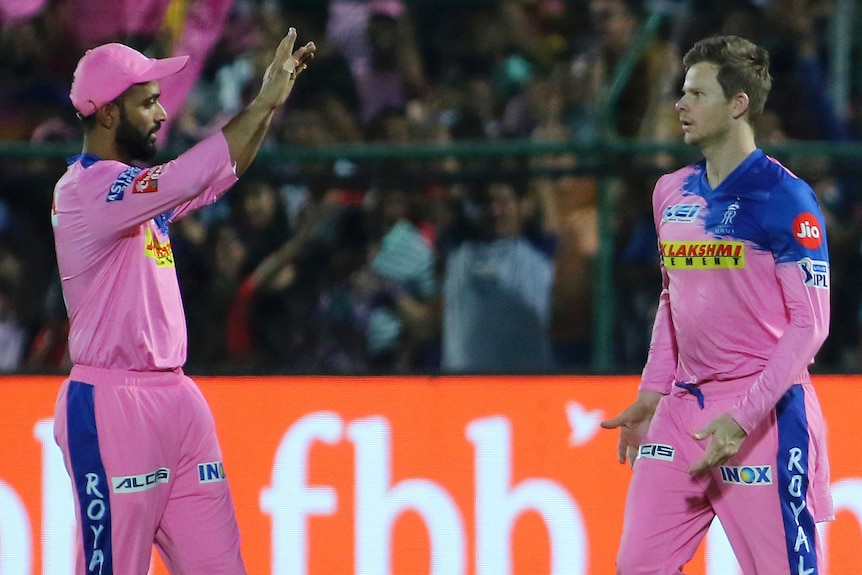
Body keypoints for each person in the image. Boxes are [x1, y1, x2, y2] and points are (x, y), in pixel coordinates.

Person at [50, 30, 315, 574]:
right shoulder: (85, 192)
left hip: (178, 401)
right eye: (147, 102)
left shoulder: (135, 192)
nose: (161, 114)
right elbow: (183, 177)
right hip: (112, 406)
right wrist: (259, 104)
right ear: (106, 114)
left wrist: (269, 107)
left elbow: (216, 176)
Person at [601, 35, 833, 574]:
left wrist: (742, 418)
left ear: (738, 104)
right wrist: (652, 392)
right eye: (682, 93)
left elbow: (811, 326)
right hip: (683, 408)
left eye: (697, 94)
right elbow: (671, 297)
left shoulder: (785, 199)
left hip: (764, 413)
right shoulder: (670, 192)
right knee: (638, 566)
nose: (680, 105)